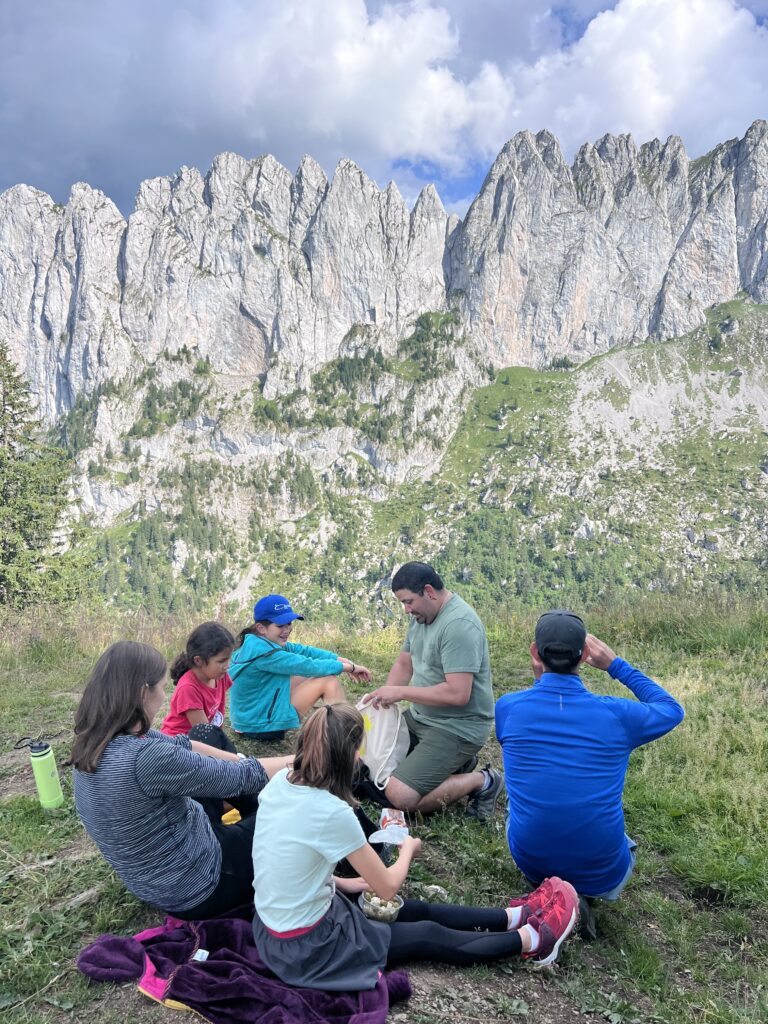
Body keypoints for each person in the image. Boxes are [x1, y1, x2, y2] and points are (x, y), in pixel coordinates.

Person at [251, 703, 580, 990]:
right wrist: (407, 848)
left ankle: (515, 916)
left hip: (274, 927)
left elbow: (286, 860)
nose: (360, 757)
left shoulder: (281, 782)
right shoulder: (332, 813)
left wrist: (342, 883)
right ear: (347, 755)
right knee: (426, 934)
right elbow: (388, 887)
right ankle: (533, 940)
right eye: (358, 749)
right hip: (309, 949)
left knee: (415, 911)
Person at [72, 641, 291, 919]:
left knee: (206, 734)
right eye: (163, 688)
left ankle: (258, 817)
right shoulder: (145, 758)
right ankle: (269, 824)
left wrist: (237, 759)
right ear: (143, 692)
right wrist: (308, 759)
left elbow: (182, 744)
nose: (164, 696)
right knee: (291, 811)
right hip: (202, 885)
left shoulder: (96, 739)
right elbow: (244, 777)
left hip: (159, 874)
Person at [495, 610, 685, 906]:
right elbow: (672, 710)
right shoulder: (618, 716)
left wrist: (540, 681)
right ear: (584, 656)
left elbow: (543, 717)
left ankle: (549, 887)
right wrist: (616, 665)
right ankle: (581, 894)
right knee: (622, 839)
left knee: (518, 799)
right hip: (602, 875)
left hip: (532, 863)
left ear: (535, 652)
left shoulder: (507, 708)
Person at [362, 562, 503, 818]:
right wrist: (386, 697)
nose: (406, 610)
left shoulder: (459, 625)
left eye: (408, 602)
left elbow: (458, 694)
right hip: (421, 717)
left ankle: (483, 781)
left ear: (428, 591)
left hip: (457, 727)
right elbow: (405, 663)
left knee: (399, 796)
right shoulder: (422, 616)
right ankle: (456, 765)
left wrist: (401, 693)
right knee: (366, 759)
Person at [228, 594, 371, 740]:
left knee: (318, 673)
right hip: (261, 727)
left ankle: (341, 729)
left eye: (289, 623)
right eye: (280, 625)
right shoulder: (266, 654)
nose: (287, 629)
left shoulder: (255, 642)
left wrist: (341, 660)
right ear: (261, 628)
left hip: (249, 721)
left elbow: (304, 651)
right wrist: (349, 668)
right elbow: (308, 666)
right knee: (329, 681)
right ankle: (343, 738)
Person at [161, 621, 235, 745]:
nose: (227, 666)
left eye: (228, 659)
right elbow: (205, 734)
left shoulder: (220, 676)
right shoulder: (188, 688)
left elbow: (215, 720)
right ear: (198, 660)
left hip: (200, 741)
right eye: (221, 661)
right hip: (178, 744)